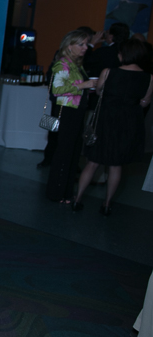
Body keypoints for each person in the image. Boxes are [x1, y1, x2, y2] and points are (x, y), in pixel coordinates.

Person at [72, 39, 153, 214]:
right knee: (116, 166)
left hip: (105, 120)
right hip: (128, 123)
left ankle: (77, 199)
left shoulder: (108, 72)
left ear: (124, 54)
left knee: (92, 163)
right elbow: (145, 102)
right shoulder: (149, 77)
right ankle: (107, 204)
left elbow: (99, 92)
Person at [45, 30, 94, 204]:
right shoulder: (63, 64)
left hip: (75, 111)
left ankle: (65, 192)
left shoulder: (76, 64)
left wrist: (87, 87)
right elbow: (57, 89)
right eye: (81, 44)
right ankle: (57, 192)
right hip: (67, 112)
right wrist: (84, 85)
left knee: (72, 152)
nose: (85, 48)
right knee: (65, 152)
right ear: (69, 46)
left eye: (86, 44)